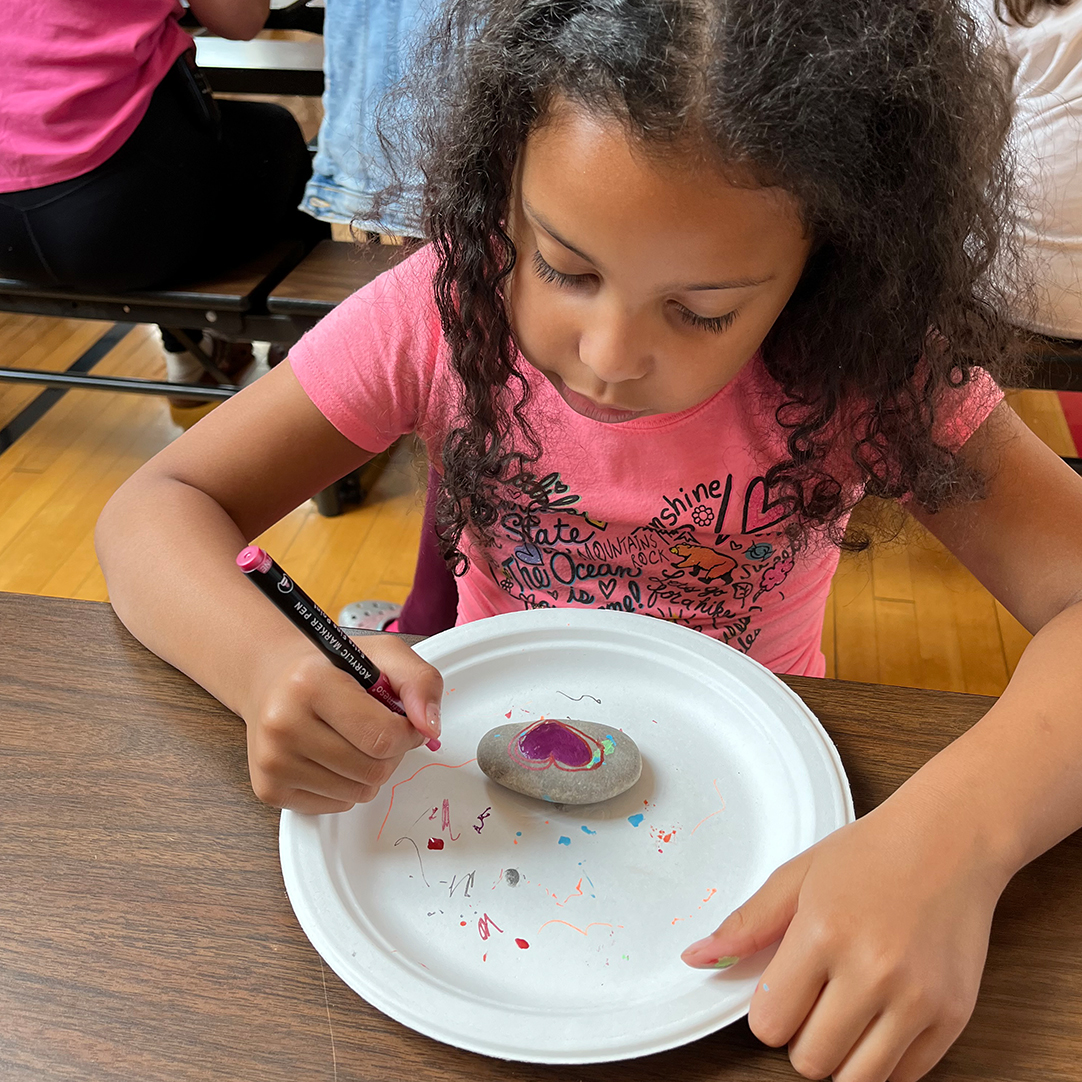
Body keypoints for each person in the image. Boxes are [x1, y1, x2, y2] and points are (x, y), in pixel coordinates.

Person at [96, 1, 1082, 1079]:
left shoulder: (861, 363)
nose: (608, 356)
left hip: (757, 799)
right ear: (503, 195)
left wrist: (951, 842)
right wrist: (265, 661)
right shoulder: (442, 308)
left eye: (701, 311)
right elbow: (155, 508)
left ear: (826, 266)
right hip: (468, 805)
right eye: (565, 268)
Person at [0, 0, 322, 416]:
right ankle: (313, 363)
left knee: (157, 147)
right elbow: (242, 20)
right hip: (116, 227)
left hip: (7, 242)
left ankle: (189, 360)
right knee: (272, 139)